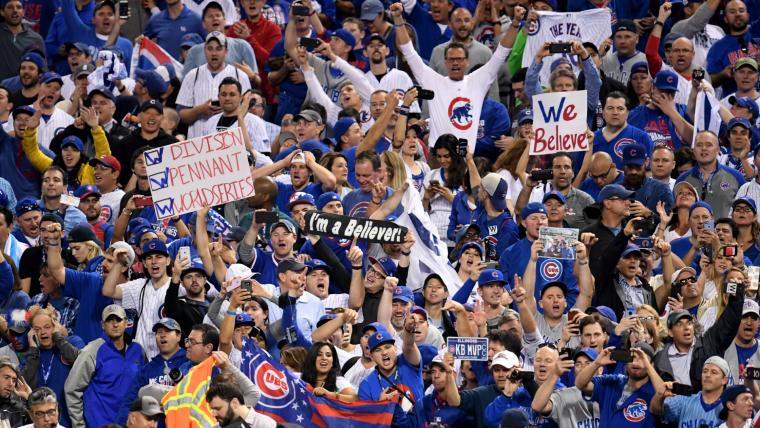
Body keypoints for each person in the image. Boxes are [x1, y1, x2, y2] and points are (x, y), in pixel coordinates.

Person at [389, 1, 522, 149]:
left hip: (466, 157)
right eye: (451, 59)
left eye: (459, 59)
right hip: (438, 156)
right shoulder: (434, 81)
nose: (455, 63)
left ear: (467, 62)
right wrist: (398, 19)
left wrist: (515, 23)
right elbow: (409, 51)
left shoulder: (477, 80)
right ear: (445, 62)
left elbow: (502, 52)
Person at [64, 305, 146, 428]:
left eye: (118, 320)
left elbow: (144, 386)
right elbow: (72, 389)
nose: (115, 324)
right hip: (100, 425)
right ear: (102, 325)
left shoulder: (138, 350)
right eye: (109, 320)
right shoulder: (91, 351)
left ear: (126, 323)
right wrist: (79, 426)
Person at [102, 239, 172, 358]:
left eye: (159, 257)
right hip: (141, 356)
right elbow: (108, 291)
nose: (154, 262)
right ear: (144, 263)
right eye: (149, 258)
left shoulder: (178, 288)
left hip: (167, 355)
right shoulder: (139, 286)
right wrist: (119, 263)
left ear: (168, 260)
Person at [176, 32, 252, 139]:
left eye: (218, 49)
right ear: (204, 51)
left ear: (226, 51)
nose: (214, 53)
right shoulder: (192, 75)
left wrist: (228, 108)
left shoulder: (240, 76)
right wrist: (200, 110)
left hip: (232, 142)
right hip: (198, 143)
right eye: (210, 48)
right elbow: (182, 116)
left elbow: (249, 112)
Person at [575, 343, 665, 427]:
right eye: (632, 357)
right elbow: (580, 384)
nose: (635, 362)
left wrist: (648, 367)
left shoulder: (655, 392)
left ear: (651, 365)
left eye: (642, 359)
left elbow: (666, 397)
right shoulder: (612, 382)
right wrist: (596, 363)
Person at [358, 320, 423, 427]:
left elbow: (409, 347)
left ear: (396, 349)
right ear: (371, 356)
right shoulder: (366, 386)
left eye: (388, 347)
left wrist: (408, 330)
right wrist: (381, 406)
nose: (384, 353)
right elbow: (368, 424)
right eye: (378, 350)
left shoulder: (408, 363)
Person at [676, 131, 745, 219]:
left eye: (709, 145)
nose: (704, 148)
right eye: (699, 145)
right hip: (691, 232)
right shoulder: (682, 180)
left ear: (718, 150)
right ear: (693, 151)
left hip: (724, 232)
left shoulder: (736, 177)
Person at [650, 356, 729, 426]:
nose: (707, 375)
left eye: (714, 372)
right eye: (705, 371)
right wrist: (659, 395)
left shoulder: (729, 408)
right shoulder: (685, 400)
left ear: (724, 380)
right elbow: (655, 410)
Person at [205, 381, 276, 428]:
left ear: (234, 403)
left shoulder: (265, 424)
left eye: (218, 408)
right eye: (212, 409)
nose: (213, 414)